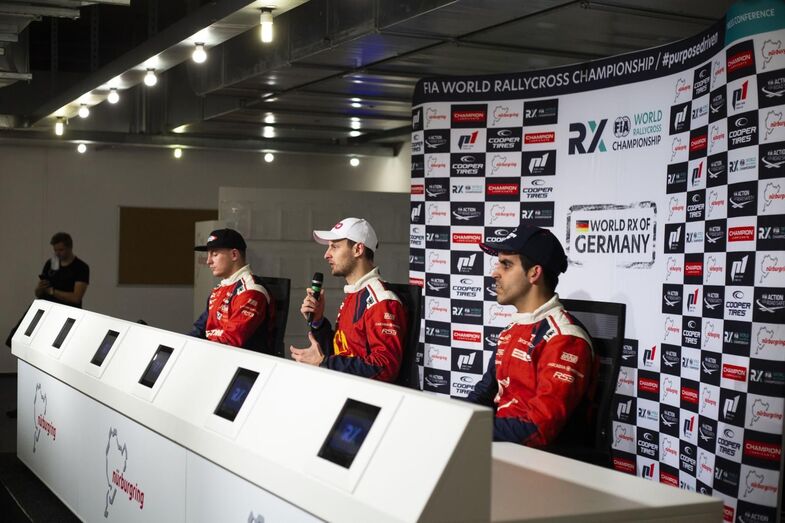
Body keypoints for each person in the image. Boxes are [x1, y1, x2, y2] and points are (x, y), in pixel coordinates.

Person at [466, 223, 595, 447]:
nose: (494, 273)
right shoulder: (513, 329)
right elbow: (484, 393)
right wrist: (450, 418)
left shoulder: (565, 339)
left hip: (542, 467)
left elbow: (538, 428)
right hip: (503, 449)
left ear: (534, 273)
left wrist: (471, 431)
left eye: (506, 265)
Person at [290, 217, 408, 383]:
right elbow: (343, 351)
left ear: (358, 249)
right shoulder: (356, 294)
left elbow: (385, 367)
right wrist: (318, 323)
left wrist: (324, 363)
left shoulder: (381, 301)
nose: (326, 255)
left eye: (335, 247)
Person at [189, 228, 274, 353]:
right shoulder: (220, 289)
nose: (208, 261)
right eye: (208, 254)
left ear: (234, 255)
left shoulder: (251, 292)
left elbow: (230, 341)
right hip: (216, 356)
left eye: (215, 254)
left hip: (243, 365)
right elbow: (199, 330)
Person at [34, 232, 90, 308]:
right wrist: (40, 288)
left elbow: (76, 298)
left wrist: (52, 291)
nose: (57, 253)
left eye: (61, 250)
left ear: (70, 248)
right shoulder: (50, 263)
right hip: (46, 306)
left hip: (66, 308)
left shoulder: (81, 267)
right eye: (55, 250)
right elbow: (37, 293)